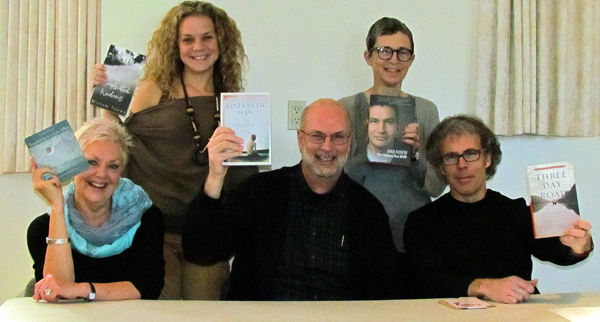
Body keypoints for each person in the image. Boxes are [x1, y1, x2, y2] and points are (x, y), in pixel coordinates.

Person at [92, 1, 257, 300]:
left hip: (206, 235)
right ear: (175, 45)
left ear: (221, 41)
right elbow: (122, 142)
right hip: (155, 232)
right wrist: (106, 98)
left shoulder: (233, 98)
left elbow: (243, 172)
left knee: (206, 313)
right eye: (188, 39)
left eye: (207, 37)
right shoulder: (156, 88)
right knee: (158, 311)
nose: (199, 47)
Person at [182, 99, 402, 300]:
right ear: (300, 139)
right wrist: (215, 177)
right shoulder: (259, 193)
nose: (327, 146)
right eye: (317, 136)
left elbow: (384, 289)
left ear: (350, 141)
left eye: (338, 136)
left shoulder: (367, 210)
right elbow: (201, 250)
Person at [403, 115, 594, 304]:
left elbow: (557, 251)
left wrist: (578, 248)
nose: (462, 165)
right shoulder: (421, 221)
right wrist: (485, 287)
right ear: (441, 167)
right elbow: (425, 280)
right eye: (451, 157)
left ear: (487, 159)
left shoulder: (515, 212)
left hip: (514, 315)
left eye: (470, 154)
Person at [27, 118, 165, 302]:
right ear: (72, 165)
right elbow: (56, 293)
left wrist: (84, 290)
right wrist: (58, 207)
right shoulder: (42, 229)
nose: (101, 174)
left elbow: (148, 287)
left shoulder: (145, 217)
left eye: (113, 166)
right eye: (92, 162)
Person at [340, 17, 445, 253]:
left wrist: (417, 154)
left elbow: (436, 188)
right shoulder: (346, 108)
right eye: (385, 51)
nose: (394, 60)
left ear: (412, 59)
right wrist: (369, 147)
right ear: (369, 57)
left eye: (402, 52)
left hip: (414, 234)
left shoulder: (426, 110)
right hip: (361, 233)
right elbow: (337, 183)